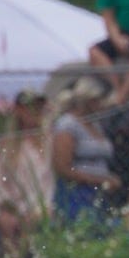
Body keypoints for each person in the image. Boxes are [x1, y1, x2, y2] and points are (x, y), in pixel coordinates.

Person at [0, 89, 54, 257]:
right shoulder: (9, 145)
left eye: (38, 108)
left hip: (42, 204)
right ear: (19, 110)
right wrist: (5, 205)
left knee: (34, 221)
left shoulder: (49, 141)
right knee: (5, 222)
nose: (35, 113)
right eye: (30, 108)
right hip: (14, 205)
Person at [50, 79, 121, 221]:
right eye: (98, 100)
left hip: (98, 193)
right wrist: (99, 180)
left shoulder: (96, 124)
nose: (102, 105)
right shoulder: (67, 125)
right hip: (76, 193)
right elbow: (62, 167)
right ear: (88, 100)